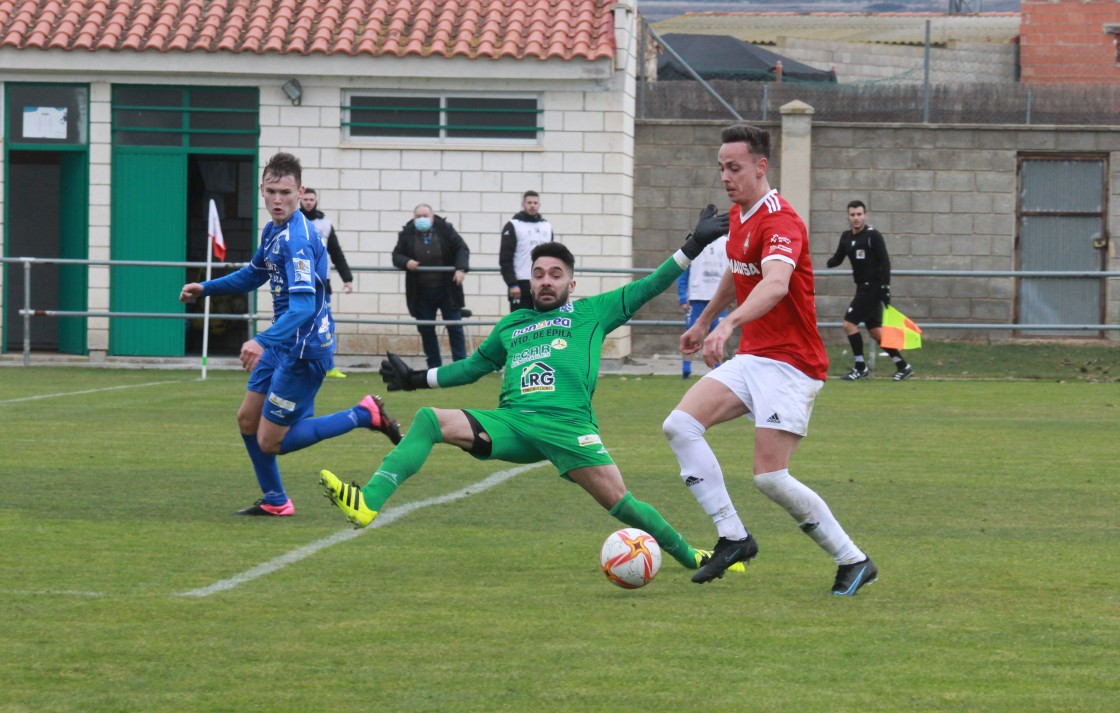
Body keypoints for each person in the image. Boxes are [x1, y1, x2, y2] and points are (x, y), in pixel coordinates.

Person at [319, 221, 758, 578]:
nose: (546, 282)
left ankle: (693, 557)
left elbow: (652, 285)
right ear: (529, 279)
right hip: (512, 424)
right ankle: (368, 502)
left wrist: (693, 243)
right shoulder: (513, 325)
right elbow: (472, 368)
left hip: (569, 428)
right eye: (539, 275)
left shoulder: (592, 312)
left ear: (571, 280)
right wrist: (416, 379)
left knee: (624, 504)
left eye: (556, 275)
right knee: (430, 420)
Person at [661, 124, 878, 595]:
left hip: (792, 364)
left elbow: (775, 283)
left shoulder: (782, 221)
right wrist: (705, 321)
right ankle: (733, 537)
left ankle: (853, 559)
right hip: (755, 358)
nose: (725, 177)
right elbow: (738, 273)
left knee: (771, 478)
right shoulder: (739, 216)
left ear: (761, 167)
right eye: (721, 168)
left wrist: (727, 325)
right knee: (679, 425)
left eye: (734, 167)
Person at [179, 152, 402, 517]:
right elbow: (253, 275)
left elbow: (302, 308)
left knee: (270, 441)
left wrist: (261, 340)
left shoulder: (298, 237)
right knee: (247, 420)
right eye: (271, 192)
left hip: (304, 348)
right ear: (262, 191)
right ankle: (276, 500)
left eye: (285, 192)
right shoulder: (273, 231)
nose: (278, 200)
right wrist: (206, 288)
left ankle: (364, 414)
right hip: (284, 343)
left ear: (300, 192)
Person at [826, 200, 913, 381]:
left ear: (865, 215)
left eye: (859, 214)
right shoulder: (846, 237)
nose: (856, 218)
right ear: (848, 216)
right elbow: (838, 258)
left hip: (873, 287)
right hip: (861, 288)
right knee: (875, 331)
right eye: (852, 215)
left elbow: (885, 263)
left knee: (849, 324)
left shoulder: (873, 236)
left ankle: (860, 367)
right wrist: (828, 262)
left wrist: (885, 288)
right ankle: (903, 366)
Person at [392, 204, 470, 368]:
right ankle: (434, 367)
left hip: (447, 289)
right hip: (421, 292)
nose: (422, 219)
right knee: (426, 330)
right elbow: (396, 255)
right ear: (413, 219)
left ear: (432, 218)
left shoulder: (446, 229)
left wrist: (460, 268)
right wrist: (406, 262)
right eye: (418, 216)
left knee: (455, 327)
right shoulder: (406, 234)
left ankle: (461, 366)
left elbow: (461, 248)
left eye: (425, 215)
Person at [300, 187, 354, 379]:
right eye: (305, 199)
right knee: (299, 323)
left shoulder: (325, 224)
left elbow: (336, 253)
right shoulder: (292, 221)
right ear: (300, 199)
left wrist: (347, 279)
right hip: (298, 283)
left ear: (316, 201)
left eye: (311, 199)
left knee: (325, 325)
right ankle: (295, 363)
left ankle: (329, 366)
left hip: (322, 284)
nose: (308, 202)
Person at [677, 233, 729, 378]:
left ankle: (718, 372)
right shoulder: (694, 242)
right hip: (697, 297)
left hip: (718, 299)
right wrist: (683, 296)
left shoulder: (727, 243)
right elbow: (683, 271)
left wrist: (731, 297)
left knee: (717, 337)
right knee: (690, 336)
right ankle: (686, 370)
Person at [499, 190, 554, 311]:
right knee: (520, 324)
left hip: (542, 282)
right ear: (523, 204)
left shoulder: (546, 226)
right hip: (520, 283)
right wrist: (512, 284)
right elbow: (505, 259)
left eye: (535, 202)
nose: (532, 205)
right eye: (529, 202)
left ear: (539, 205)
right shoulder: (513, 225)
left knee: (542, 322)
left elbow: (552, 257)